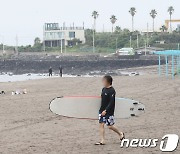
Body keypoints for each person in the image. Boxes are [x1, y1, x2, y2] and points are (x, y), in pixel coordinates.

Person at [95, 75, 125, 145]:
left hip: (109, 111)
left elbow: (112, 102)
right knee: (101, 124)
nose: (103, 82)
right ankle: (102, 140)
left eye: (104, 81)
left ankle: (121, 133)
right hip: (102, 110)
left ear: (108, 82)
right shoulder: (103, 89)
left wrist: (106, 110)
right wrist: (101, 110)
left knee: (110, 126)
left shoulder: (112, 91)